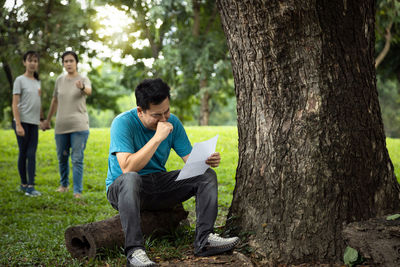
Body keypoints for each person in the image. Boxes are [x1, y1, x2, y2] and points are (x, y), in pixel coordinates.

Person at [106, 78, 239, 267]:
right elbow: (127, 167)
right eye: (156, 115)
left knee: (206, 175)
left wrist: (207, 160)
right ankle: (135, 252)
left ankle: (204, 240)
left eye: (166, 111)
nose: (164, 119)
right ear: (140, 112)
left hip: (157, 184)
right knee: (131, 178)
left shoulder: (172, 122)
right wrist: (157, 138)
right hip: (123, 188)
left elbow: (191, 161)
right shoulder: (122, 123)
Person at [43, 51, 92, 199]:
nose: (68, 63)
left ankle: (77, 191)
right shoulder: (59, 80)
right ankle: (64, 185)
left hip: (79, 126)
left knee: (77, 159)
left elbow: (89, 91)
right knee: (62, 158)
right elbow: (55, 101)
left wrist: (82, 87)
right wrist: (47, 119)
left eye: (71, 61)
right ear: (63, 64)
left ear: (76, 62)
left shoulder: (83, 79)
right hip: (61, 126)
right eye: (65, 61)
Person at [12, 50, 45, 196]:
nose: (33, 63)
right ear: (24, 62)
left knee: (31, 153)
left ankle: (30, 186)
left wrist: (42, 120)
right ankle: (25, 185)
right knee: (24, 153)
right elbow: (15, 104)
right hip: (22, 122)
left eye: (35, 61)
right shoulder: (19, 80)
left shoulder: (37, 82)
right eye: (30, 60)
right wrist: (18, 124)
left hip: (33, 123)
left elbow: (38, 103)